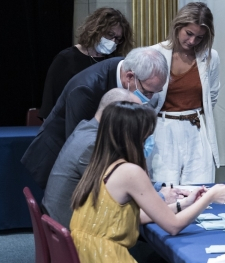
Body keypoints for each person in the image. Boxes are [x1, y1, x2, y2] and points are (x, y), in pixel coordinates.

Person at [69, 101, 225, 263]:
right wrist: (211, 197)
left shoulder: (100, 164)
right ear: (133, 136)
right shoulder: (130, 172)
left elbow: (120, 218)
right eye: (146, 135)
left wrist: (184, 203)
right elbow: (173, 227)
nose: (149, 141)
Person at [21, 47, 168, 189]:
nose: (150, 98)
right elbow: (79, 141)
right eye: (148, 92)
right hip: (59, 155)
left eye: (157, 92)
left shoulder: (131, 68)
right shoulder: (86, 89)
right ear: (129, 76)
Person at [42, 88, 189, 229]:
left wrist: (160, 189)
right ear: (119, 117)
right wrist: (162, 197)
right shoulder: (94, 144)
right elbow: (121, 201)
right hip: (76, 230)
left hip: (67, 224)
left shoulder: (87, 128)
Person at [150, 2, 220, 185]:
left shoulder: (210, 57)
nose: (192, 41)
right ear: (178, 26)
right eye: (189, 34)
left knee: (199, 188)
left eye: (199, 37)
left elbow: (211, 95)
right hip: (163, 128)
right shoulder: (155, 54)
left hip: (196, 129)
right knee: (164, 187)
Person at [40, 7, 134, 120]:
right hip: (70, 126)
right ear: (95, 30)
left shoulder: (116, 62)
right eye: (109, 34)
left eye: (118, 38)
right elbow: (50, 105)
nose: (113, 42)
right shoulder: (66, 59)